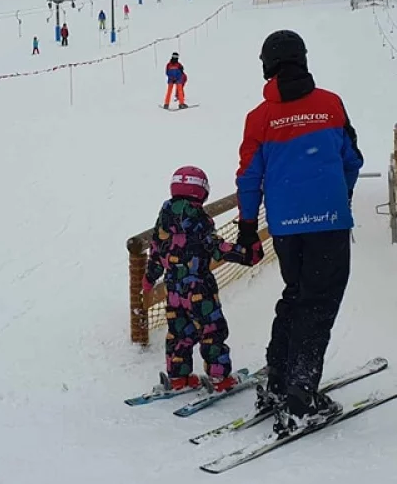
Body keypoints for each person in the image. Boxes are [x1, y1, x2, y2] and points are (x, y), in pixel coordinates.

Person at [234, 30, 364, 435]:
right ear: (302, 61)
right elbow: (352, 159)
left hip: (286, 228)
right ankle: (300, 398)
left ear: (268, 66)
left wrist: (247, 228)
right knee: (318, 305)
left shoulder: (259, 118)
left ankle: (278, 381)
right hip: (328, 222)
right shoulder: (330, 104)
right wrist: (337, 195)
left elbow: (248, 177)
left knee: (296, 296)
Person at [144, 166, 248, 392]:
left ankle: (179, 377)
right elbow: (215, 246)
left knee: (179, 331)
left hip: (173, 290)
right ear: (201, 192)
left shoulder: (164, 218)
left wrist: (150, 278)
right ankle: (220, 378)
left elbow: (156, 250)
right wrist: (243, 253)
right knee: (211, 330)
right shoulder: (199, 218)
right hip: (199, 287)